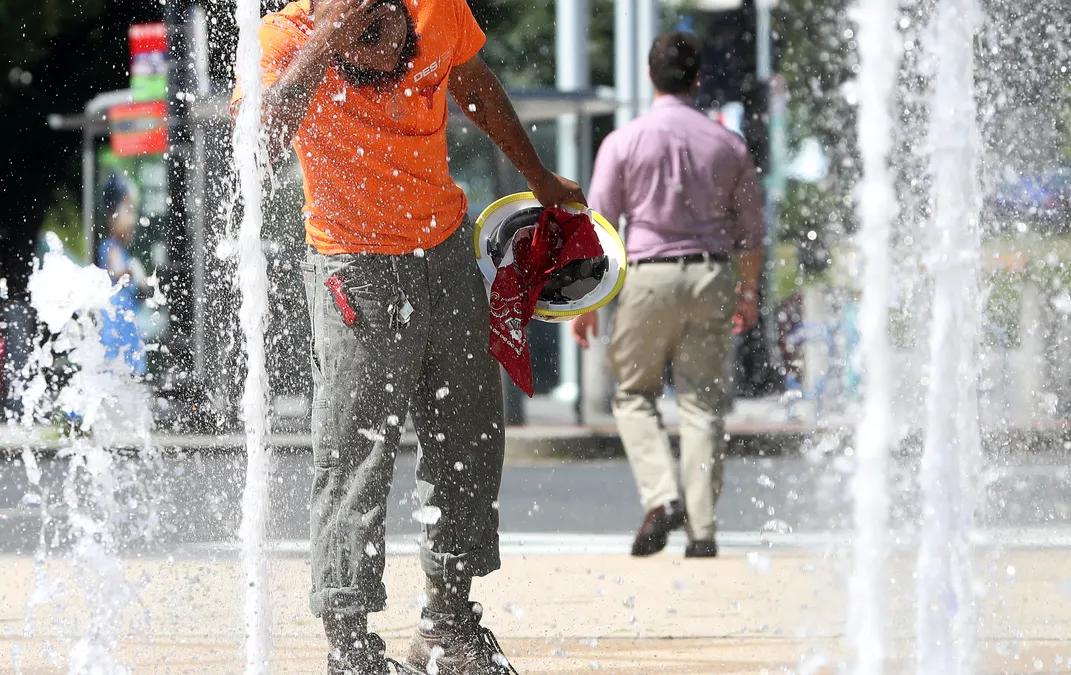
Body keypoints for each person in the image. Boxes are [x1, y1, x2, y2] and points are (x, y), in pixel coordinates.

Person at [234, 1, 584, 673]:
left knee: (469, 438)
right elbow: (257, 146)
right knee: (353, 455)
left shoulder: (436, 8)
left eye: (393, 46)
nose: (387, 62)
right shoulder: (284, 39)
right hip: (352, 272)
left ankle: (448, 627)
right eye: (359, 50)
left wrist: (538, 176)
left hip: (446, 252)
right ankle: (352, 649)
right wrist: (320, 48)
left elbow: (474, 83)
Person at [571, 31, 765, 560]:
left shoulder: (624, 141)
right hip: (712, 275)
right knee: (703, 403)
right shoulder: (728, 144)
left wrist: (587, 305)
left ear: (651, 78)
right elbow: (750, 232)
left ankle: (662, 497)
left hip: (647, 276)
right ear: (698, 78)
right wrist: (747, 292)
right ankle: (702, 531)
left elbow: (602, 228)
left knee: (634, 395)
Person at [98, 174, 149, 376]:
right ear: (111, 216)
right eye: (128, 211)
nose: (133, 219)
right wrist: (132, 270)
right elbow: (116, 273)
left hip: (125, 326)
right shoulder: (111, 248)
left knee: (127, 377)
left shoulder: (122, 251)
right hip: (115, 328)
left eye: (134, 211)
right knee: (117, 373)